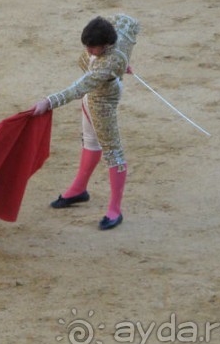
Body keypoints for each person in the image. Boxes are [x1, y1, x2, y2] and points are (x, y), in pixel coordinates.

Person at [32, 14, 140, 230]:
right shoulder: (116, 37)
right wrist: (124, 62)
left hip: (102, 103)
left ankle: (115, 210)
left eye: (93, 48)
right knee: (90, 142)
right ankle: (78, 189)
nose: (88, 51)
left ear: (107, 44)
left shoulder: (108, 62)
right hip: (91, 99)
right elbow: (129, 22)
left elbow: (79, 87)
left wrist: (49, 101)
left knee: (113, 153)